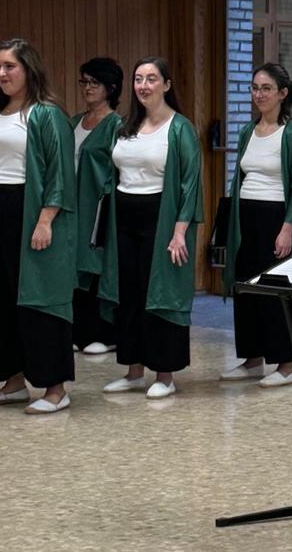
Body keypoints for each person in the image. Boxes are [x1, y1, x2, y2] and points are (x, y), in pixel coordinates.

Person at [0, 38, 77, 414]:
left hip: (27, 208)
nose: (2, 73)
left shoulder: (46, 114)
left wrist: (46, 219)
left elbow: (59, 172)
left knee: (39, 300)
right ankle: (12, 380)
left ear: (28, 69)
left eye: (10, 66)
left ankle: (55, 388)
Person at [100, 57, 202, 400]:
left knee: (159, 295)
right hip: (124, 215)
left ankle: (165, 373)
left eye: (152, 79)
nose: (144, 85)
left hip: (161, 217)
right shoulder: (125, 125)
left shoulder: (180, 127)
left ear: (167, 85)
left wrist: (179, 232)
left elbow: (190, 183)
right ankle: (132, 370)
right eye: (139, 79)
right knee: (129, 293)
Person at [220, 63, 292, 388]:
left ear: (282, 94)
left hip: (277, 217)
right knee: (247, 286)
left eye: (266, 88)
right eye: (255, 88)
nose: (259, 94)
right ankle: (252, 358)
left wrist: (287, 228)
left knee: (277, 290)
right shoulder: (248, 131)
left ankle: (286, 363)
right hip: (247, 217)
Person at [71, 57, 124, 356]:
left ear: (110, 88)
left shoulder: (117, 125)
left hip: (98, 208)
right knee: (73, 268)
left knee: (95, 266)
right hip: (71, 206)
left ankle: (103, 332)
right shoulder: (74, 121)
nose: (88, 88)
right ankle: (78, 330)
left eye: (95, 83)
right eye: (85, 82)